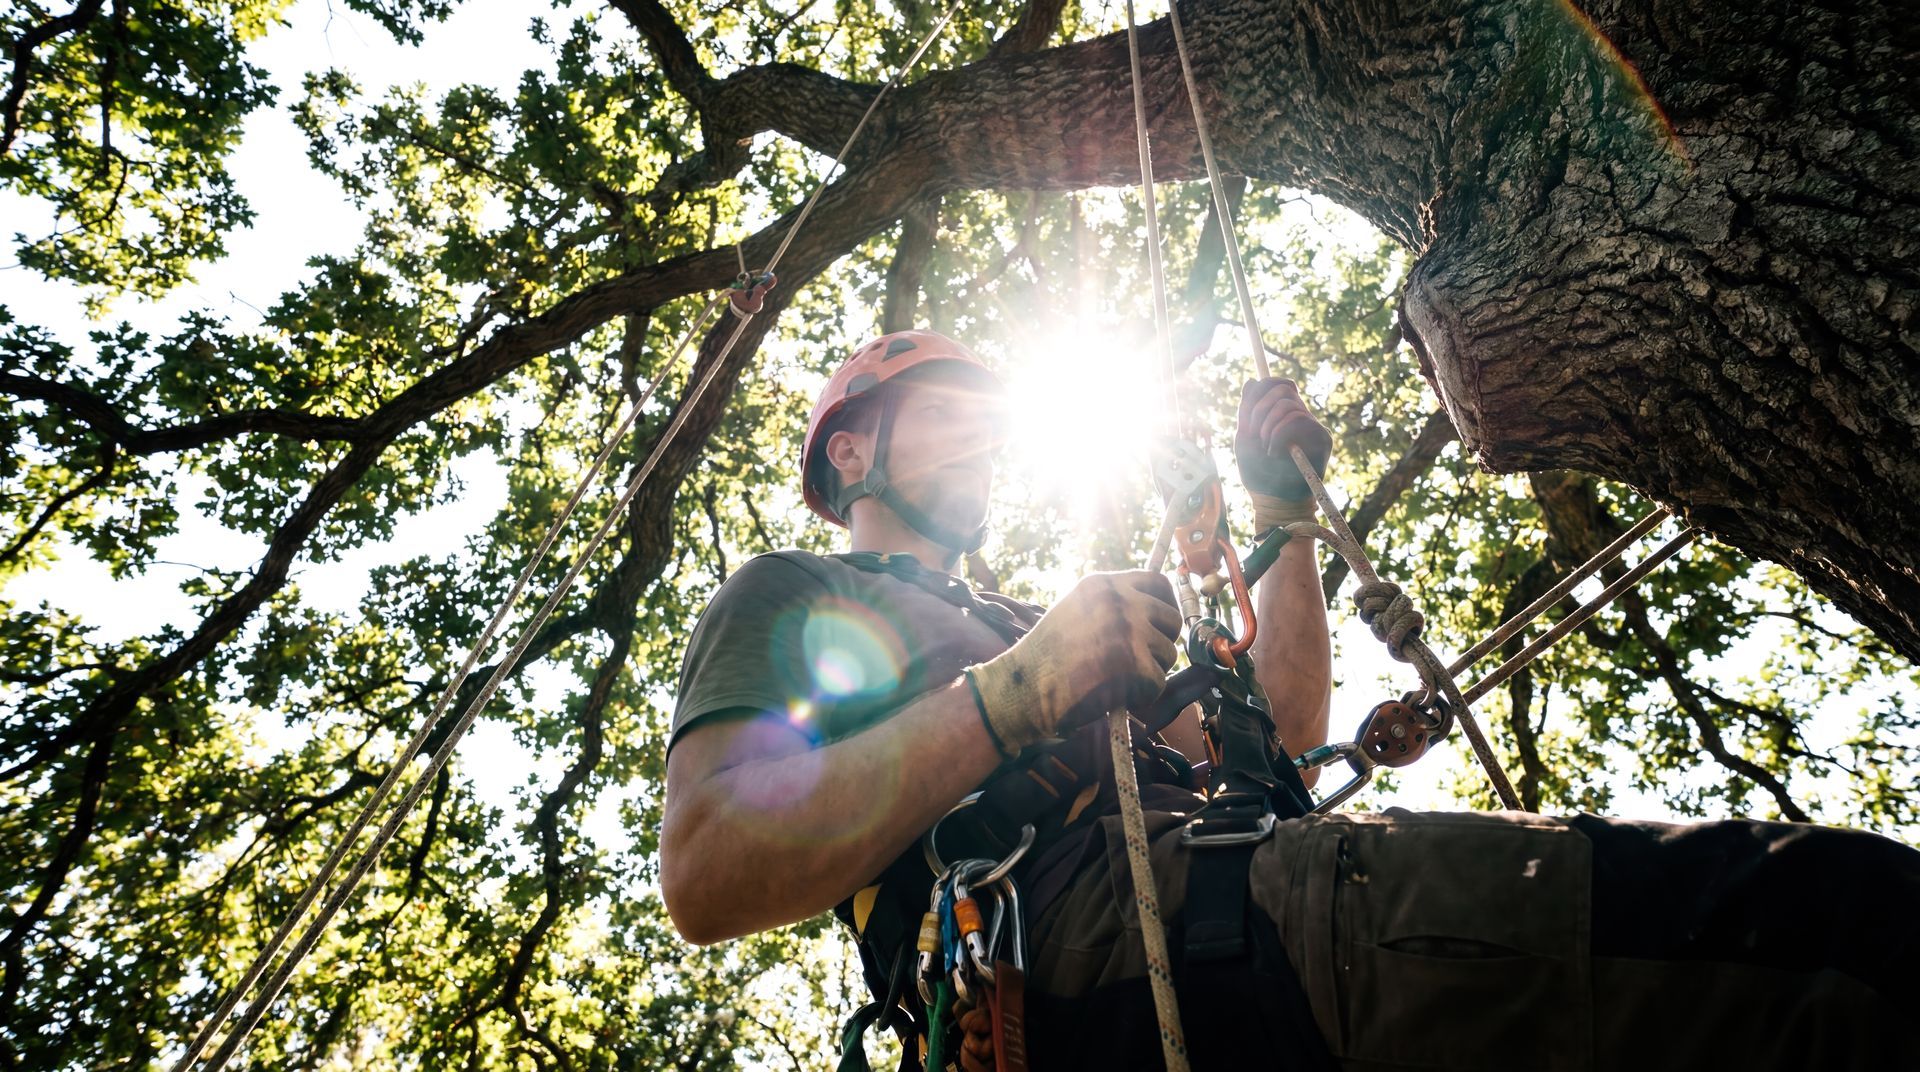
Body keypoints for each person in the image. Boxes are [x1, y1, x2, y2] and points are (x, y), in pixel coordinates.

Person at [662, 330, 1920, 1071]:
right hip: (1112, 960)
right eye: (953, 413)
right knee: (1829, 934)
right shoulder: (792, 593)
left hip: (1239, 913)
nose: (988, 440)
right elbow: (707, 870)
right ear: (851, 448)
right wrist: (1015, 694)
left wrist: (1280, 519)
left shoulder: (1030, 624)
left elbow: (1278, 734)